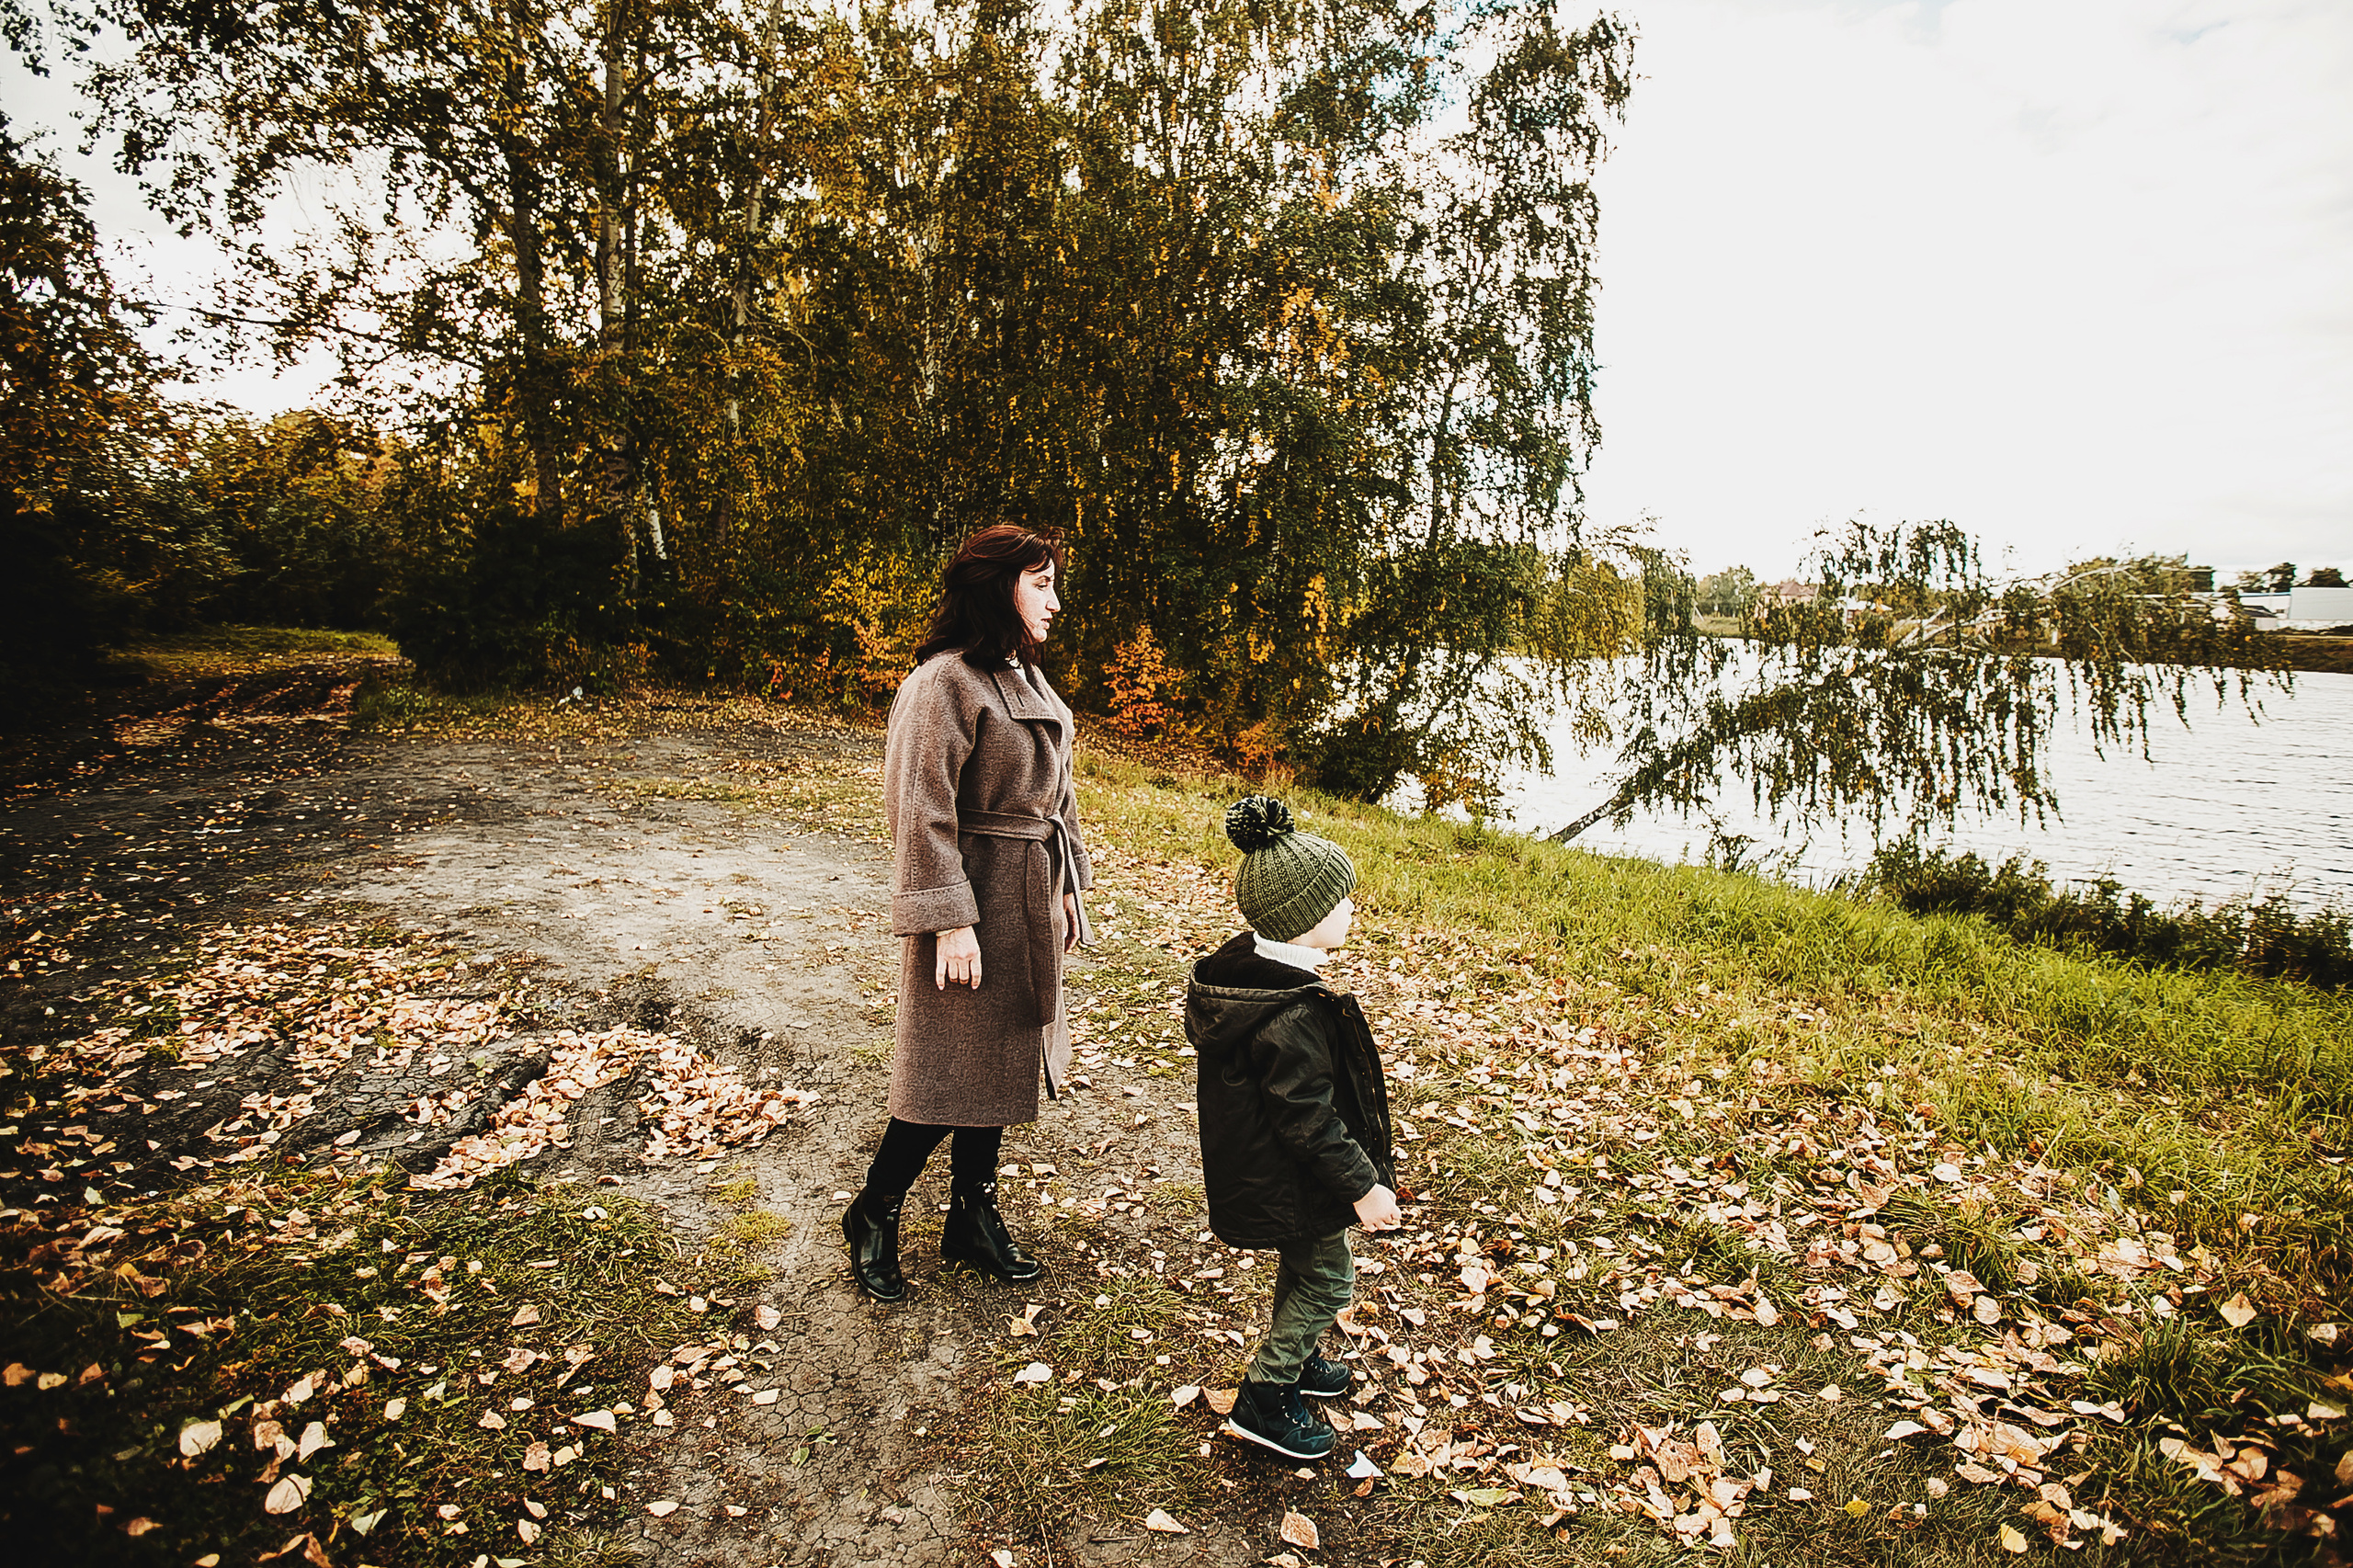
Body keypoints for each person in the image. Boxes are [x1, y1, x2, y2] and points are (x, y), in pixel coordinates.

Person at [843, 525, 1093, 1303]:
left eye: (1054, 583)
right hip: (975, 898)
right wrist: (950, 919)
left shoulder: (1026, 678)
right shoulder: (943, 683)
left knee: (999, 1061)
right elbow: (920, 812)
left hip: (1027, 894)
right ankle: (874, 1210)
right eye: (1041, 583)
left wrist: (1069, 887)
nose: (1056, 600)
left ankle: (971, 1217)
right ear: (998, 587)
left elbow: (1059, 797)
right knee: (946, 1069)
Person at [1186, 796, 1400, 1460]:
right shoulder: (1290, 1013)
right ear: (1304, 921)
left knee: (1304, 1267)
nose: (1352, 911)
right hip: (1291, 1174)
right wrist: (1364, 1187)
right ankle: (1266, 1394)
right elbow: (1307, 1119)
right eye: (1341, 902)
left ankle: (1298, 1354)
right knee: (1329, 1280)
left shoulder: (1262, 981)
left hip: (1279, 1172)